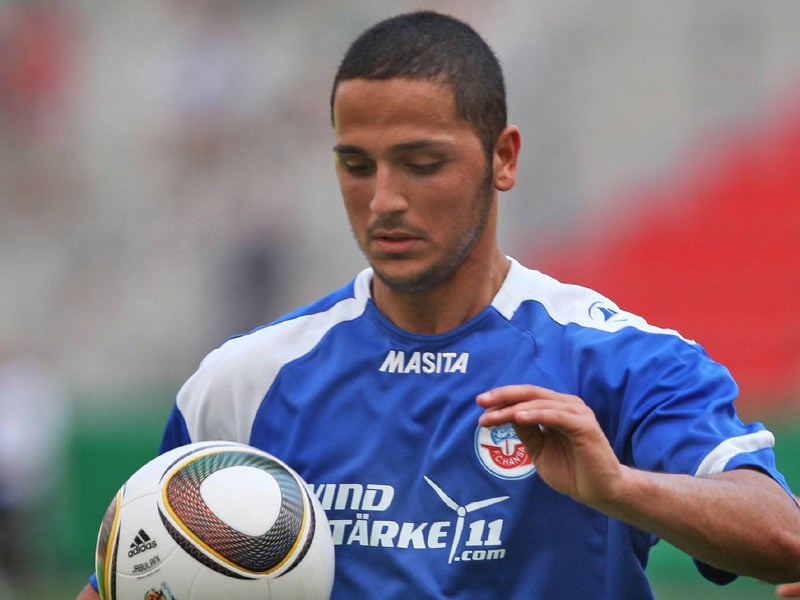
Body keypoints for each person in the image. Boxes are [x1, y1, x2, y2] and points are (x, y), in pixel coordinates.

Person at [76, 10, 800, 600]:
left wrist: (619, 488)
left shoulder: (616, 360)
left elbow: (781, 537)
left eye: (422, 164)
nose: (384, 201)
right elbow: (133, 572)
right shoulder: (246, 381)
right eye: (356, 166)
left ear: (503, 158)